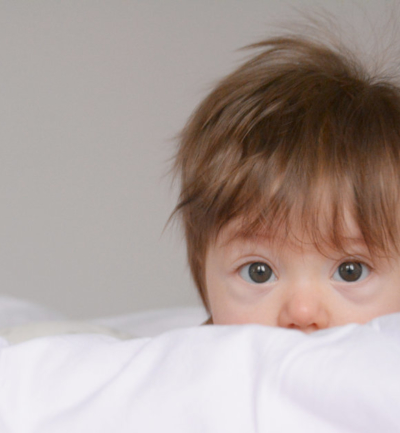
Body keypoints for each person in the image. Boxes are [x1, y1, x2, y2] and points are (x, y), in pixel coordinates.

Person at [171, 28, 400, 332]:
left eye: (350, 271)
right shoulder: (187, 371)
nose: (303, 313)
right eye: (258, 272)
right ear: (205, 279)